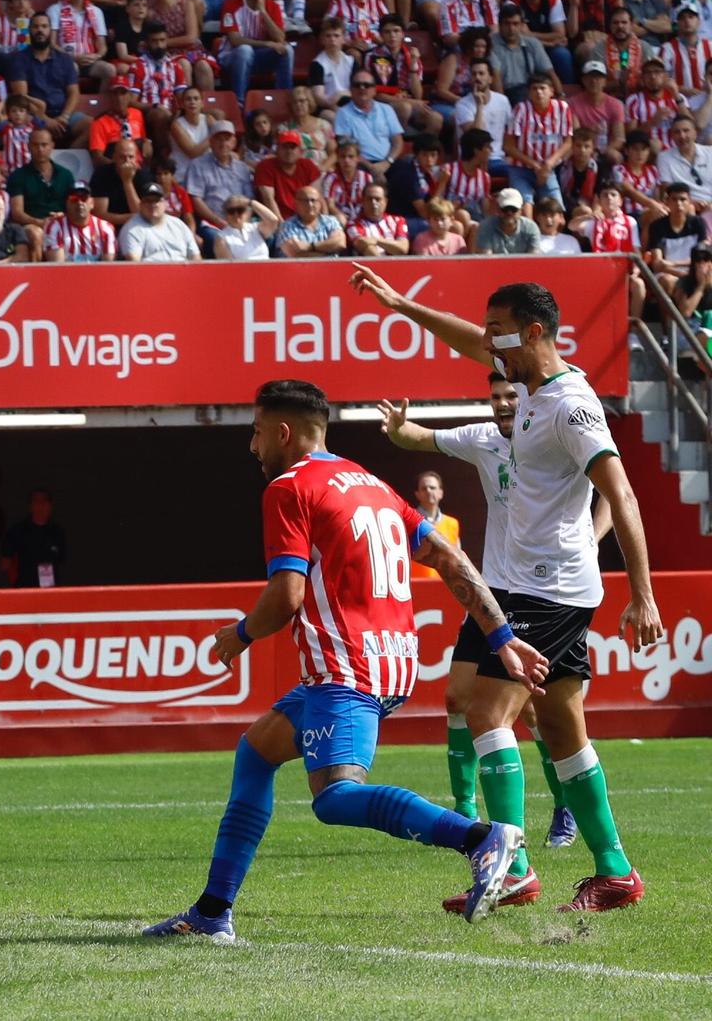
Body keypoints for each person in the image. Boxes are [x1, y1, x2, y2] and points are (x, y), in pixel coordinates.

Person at [142, 379, 544, 944]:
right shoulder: (371, 484)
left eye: (257, 433)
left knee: (335, 798)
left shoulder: (289, 487)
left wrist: (238, 635)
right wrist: (500, 636)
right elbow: (451, 559)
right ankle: (212, 912)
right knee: (256, 751)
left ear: (283, 432)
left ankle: (479, 838)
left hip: (347, 667)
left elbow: (286, 596)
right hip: (389, 660)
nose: (253, 447)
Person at [350, 270, 662, 913]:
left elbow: (622, 493)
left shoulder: (571, 407)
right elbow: (468, 341)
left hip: (545, 589)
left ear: (536, 330)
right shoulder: (533, 390)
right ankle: (615, 871)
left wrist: (645, 594)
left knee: (488, 714)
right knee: (559, 723)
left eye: (499, 331)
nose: (489, 345)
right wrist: (404, 305)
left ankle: (514, 865)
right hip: (527, 585)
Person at [377, 376, 583, 850]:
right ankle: (467, 811)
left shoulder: (557, 437)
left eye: (512, 396)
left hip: (537, 594)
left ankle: (560, 809)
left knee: (533, 712)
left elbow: (610, 488)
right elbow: (420, 438)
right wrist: (397, 430)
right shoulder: (482, 439)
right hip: (492, 595)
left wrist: (589, 539)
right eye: (496, 398)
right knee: (456, 699)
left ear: (529, 400)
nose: (503, 405)